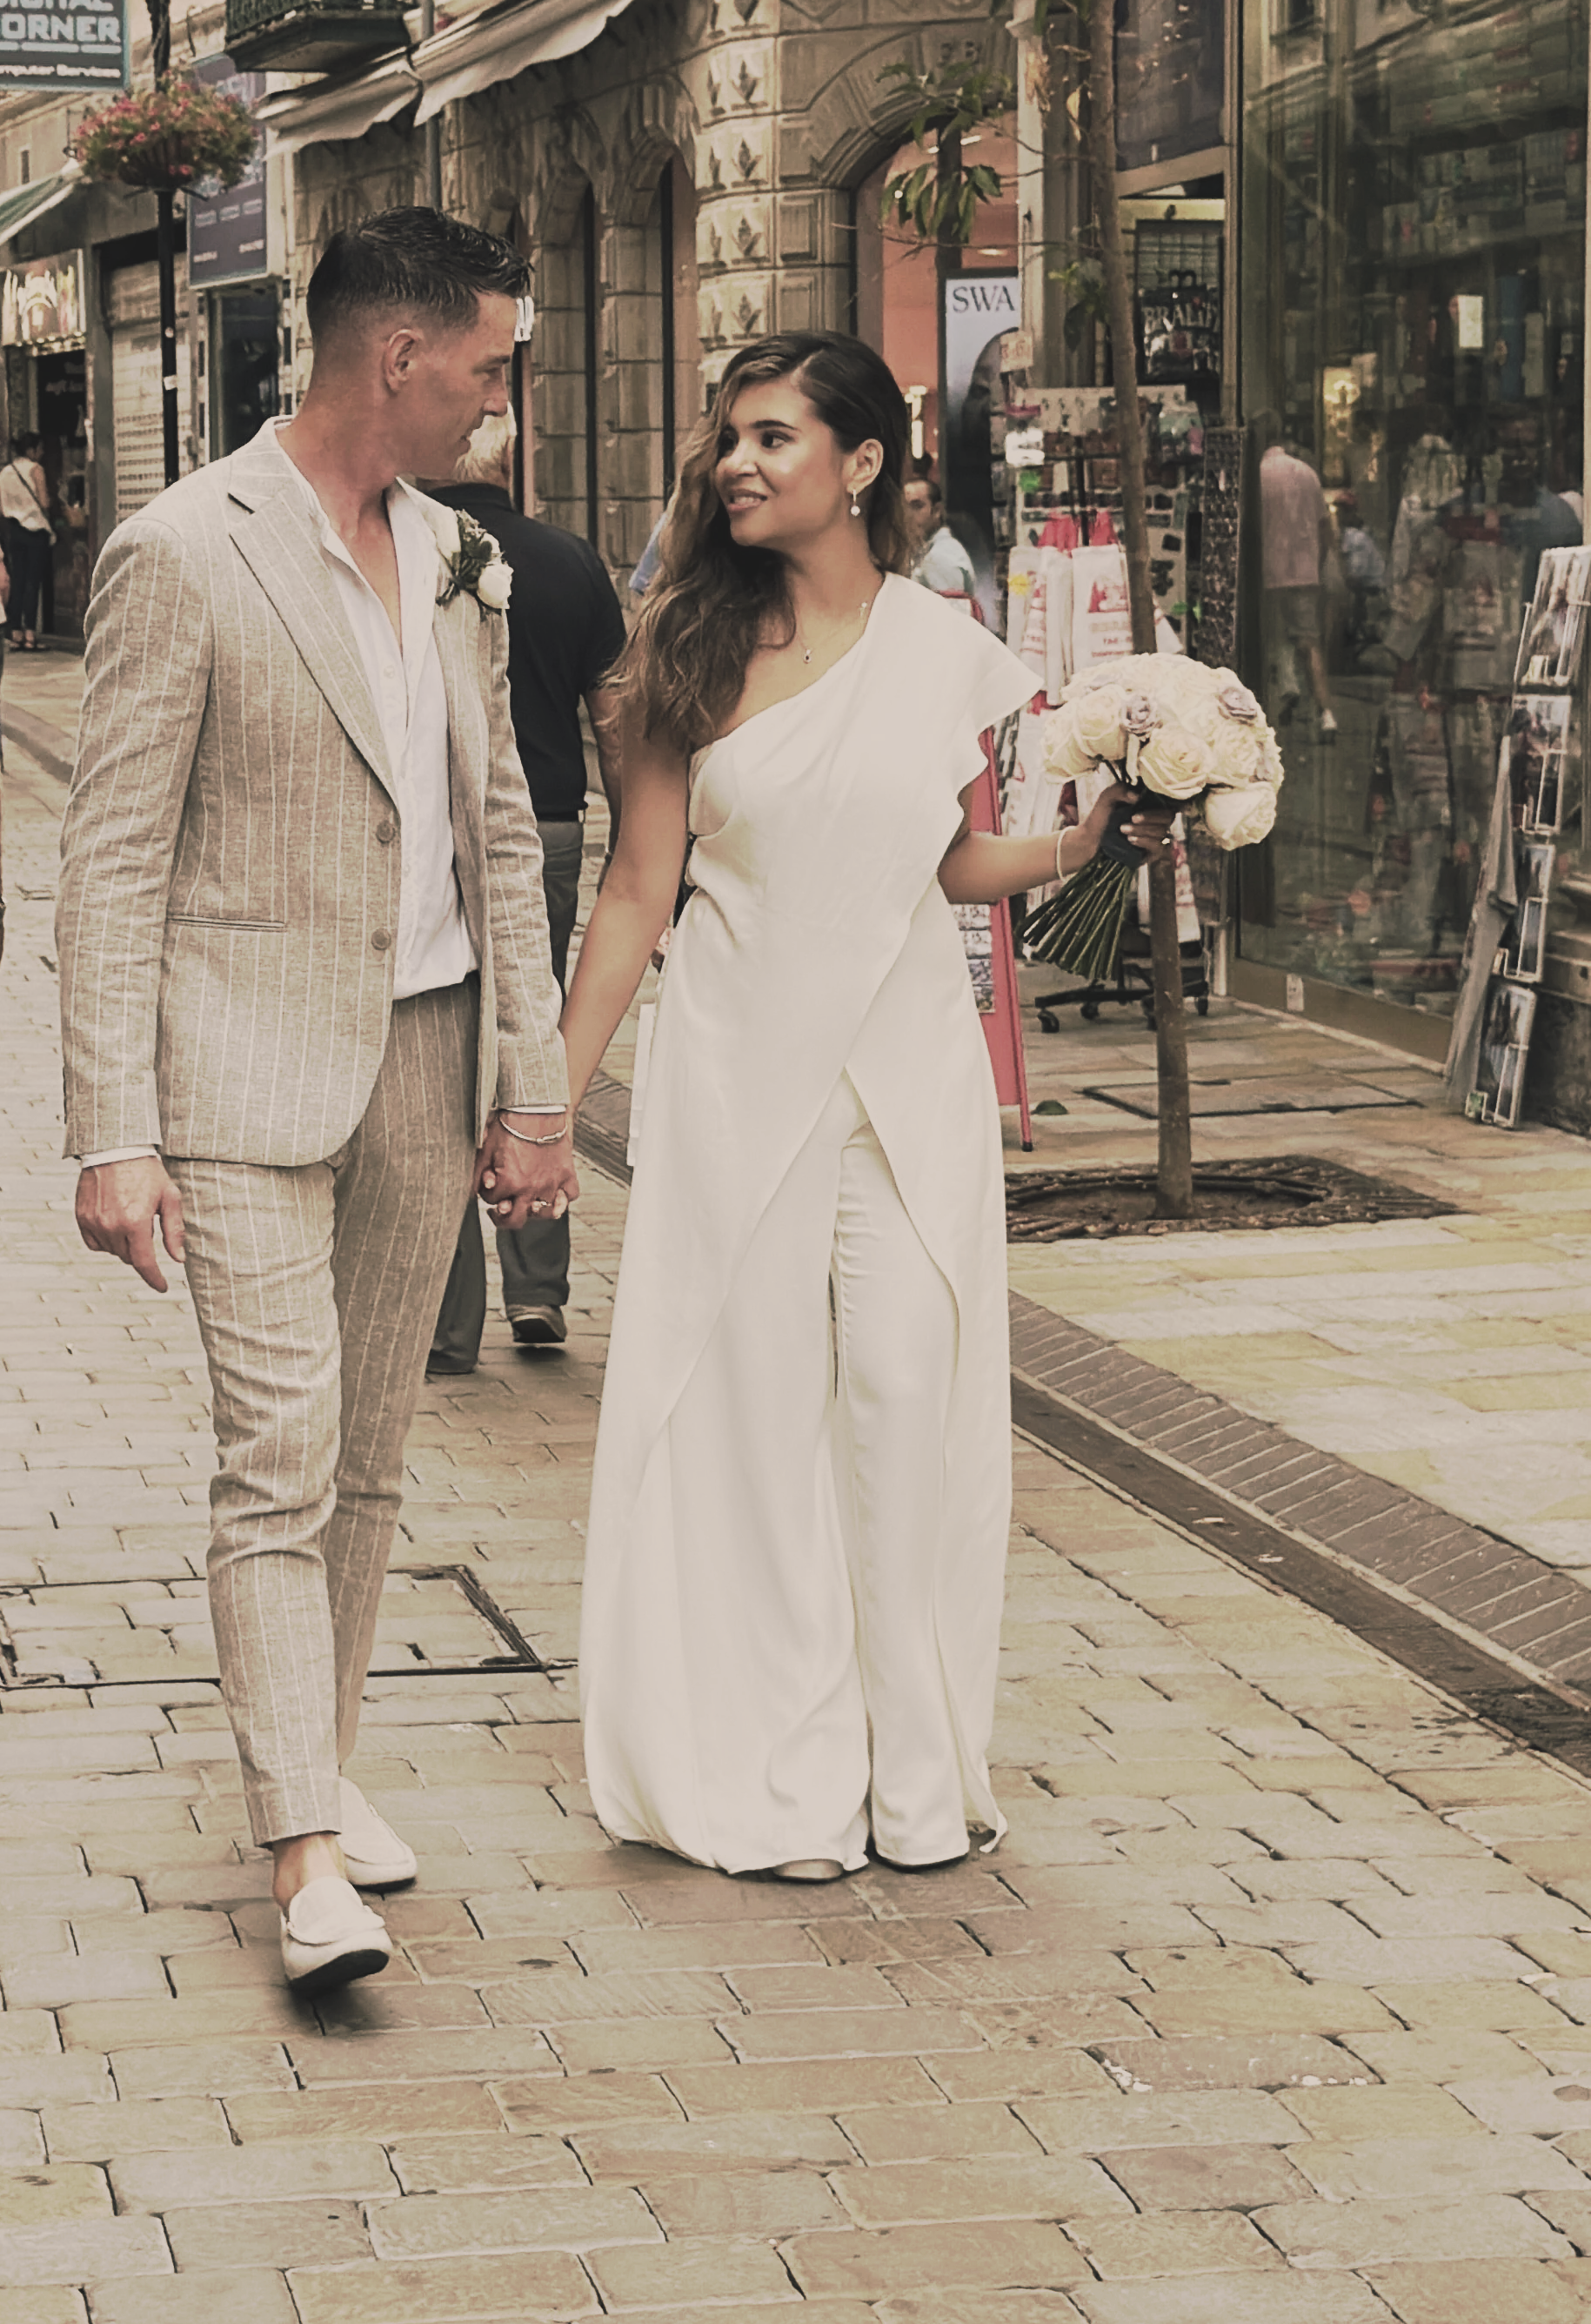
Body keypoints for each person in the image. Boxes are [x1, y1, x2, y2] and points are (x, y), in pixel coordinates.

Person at [558, 331, 1171, 1879]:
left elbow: (943, 860)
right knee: (753, 1421)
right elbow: (638, 892)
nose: (737, 464)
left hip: (903, 1071)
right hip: (734, 1071)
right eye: (728, 439)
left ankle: (913, 1774)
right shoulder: (676, 652)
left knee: (908, 1396)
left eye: (772, 436)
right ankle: (776, 1777)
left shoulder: (944, 650)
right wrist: (539, 1104)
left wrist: (1077, 848)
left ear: (864, 464)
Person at [56, 209, 575, 2001]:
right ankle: (297, 1853)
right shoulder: (181, 550)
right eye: (491, 367)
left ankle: (318, 1754)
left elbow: (497, 824)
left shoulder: (458, 556)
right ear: (396, 358)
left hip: (426, 1057)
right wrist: (106, 1129)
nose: (502, 400)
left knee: (367, 1455)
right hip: (242, 1071)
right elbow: (110, 861)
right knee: (275, 1455)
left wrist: (536, 1087)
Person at [427, 410, 625, 1367]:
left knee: (435, 1058)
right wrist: (634, 842)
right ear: (512, 457)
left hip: (428, 839)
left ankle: (445, 1315)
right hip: (545, 832)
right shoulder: (571, 561)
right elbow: (615, 716)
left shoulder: (409, 550)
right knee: (530, 1040)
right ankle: (538, 1289)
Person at [1259, 428, 1337, 737]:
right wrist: (1317, 563)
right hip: (1305, 571)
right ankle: (1327, 713)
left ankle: (1277, 700)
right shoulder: (1308, 474)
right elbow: (1324, 527)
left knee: (1271, 640)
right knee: (1309, 643)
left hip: (1268, 572)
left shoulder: (1258, 476)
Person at [0, 434, 50, 650]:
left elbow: (2, 508)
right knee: (33, 582)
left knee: (17, 581)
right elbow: (44, 501)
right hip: (35, 531)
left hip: (15, 531)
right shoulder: (35, 470)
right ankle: (31, 634)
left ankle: (16, 632)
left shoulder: (5, 472)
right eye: (39, 449)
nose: (41, 454)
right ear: (31, 450)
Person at [903, 465, 979, 602]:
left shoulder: (940, 557)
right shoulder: (926, 551)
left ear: (937, 510)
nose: (908, 515)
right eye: (904, 507)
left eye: (917, 506)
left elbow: (951, 619)